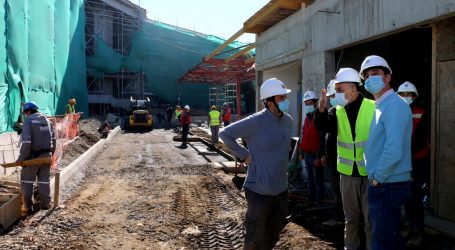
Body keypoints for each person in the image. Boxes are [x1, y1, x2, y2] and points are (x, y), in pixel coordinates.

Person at [219, 78, 293, 249]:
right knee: (254, 239)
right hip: (259, 191)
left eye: (285, 97)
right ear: (268, 101)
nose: (285, 101)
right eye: (281, 98)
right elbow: (225, 134)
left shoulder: (288, 121)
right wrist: (244, 155)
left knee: (273, 236)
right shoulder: (256, 121)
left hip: (281, 190)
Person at [314, 68, 375, 250]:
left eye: (340, 90)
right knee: (351, 219)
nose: (337, 94)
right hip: (348, 174)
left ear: (353, 87)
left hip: (372, 174)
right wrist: (321, 108)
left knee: (371, 220)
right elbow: (323, 125)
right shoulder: (337, 111)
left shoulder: (373, 107)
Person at [361, 55, 412, 250]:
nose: (369, 78)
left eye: (375, 73)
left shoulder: (395, 105)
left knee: (382, 243)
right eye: (366, 76)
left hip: (387, 183)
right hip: (385, 182)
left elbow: (394, 148)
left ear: (388, 77)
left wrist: (377, 178)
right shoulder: (381, 105)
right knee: (389, 239)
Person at [397, 81, 430, 248]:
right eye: (402, 95)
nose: (405, 97)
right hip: (402, 161)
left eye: (408, 94)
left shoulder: (421, 114)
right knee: (405, 196)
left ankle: (418, 231)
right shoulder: (396, 113)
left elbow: (418, 141)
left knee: (415, 197)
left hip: (417, 161)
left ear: (414, 97)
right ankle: (409, 226)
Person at [17, 102, 56, 215]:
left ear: (28, 111)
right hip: (46, 156)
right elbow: (54, 140)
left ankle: (28, 208)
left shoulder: (29, 121)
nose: (25, 115)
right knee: (44, 182)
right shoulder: (48, 121)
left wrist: (21, 158)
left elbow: (27, 143)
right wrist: (50, 155)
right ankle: (45, 206)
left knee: (27, 181)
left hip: (32, 157)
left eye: (25, 113)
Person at [321, 80, 345, 227]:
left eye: (337, 94)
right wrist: (324, 154)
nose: (334, 98)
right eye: (332, 96)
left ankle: (341, 218)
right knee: (337, 191)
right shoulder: (332, 112)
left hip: (344, 160)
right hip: (332, 159)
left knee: (342, 192)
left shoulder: (345, 112)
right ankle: (339, 216)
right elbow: (326, 134)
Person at [300, 90, 325, 206]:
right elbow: (304, 135)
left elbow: (321, 138)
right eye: (305, 103)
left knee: (318, 180)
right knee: (310, 179)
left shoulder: (319, 118)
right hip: (307, 152)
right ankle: (311, 199)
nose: (307, 105)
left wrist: (319, 156)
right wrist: (302, 151)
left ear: (315, 102)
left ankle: (319, 201)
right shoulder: (307, 118)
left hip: (315, 154)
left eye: (309, 102)